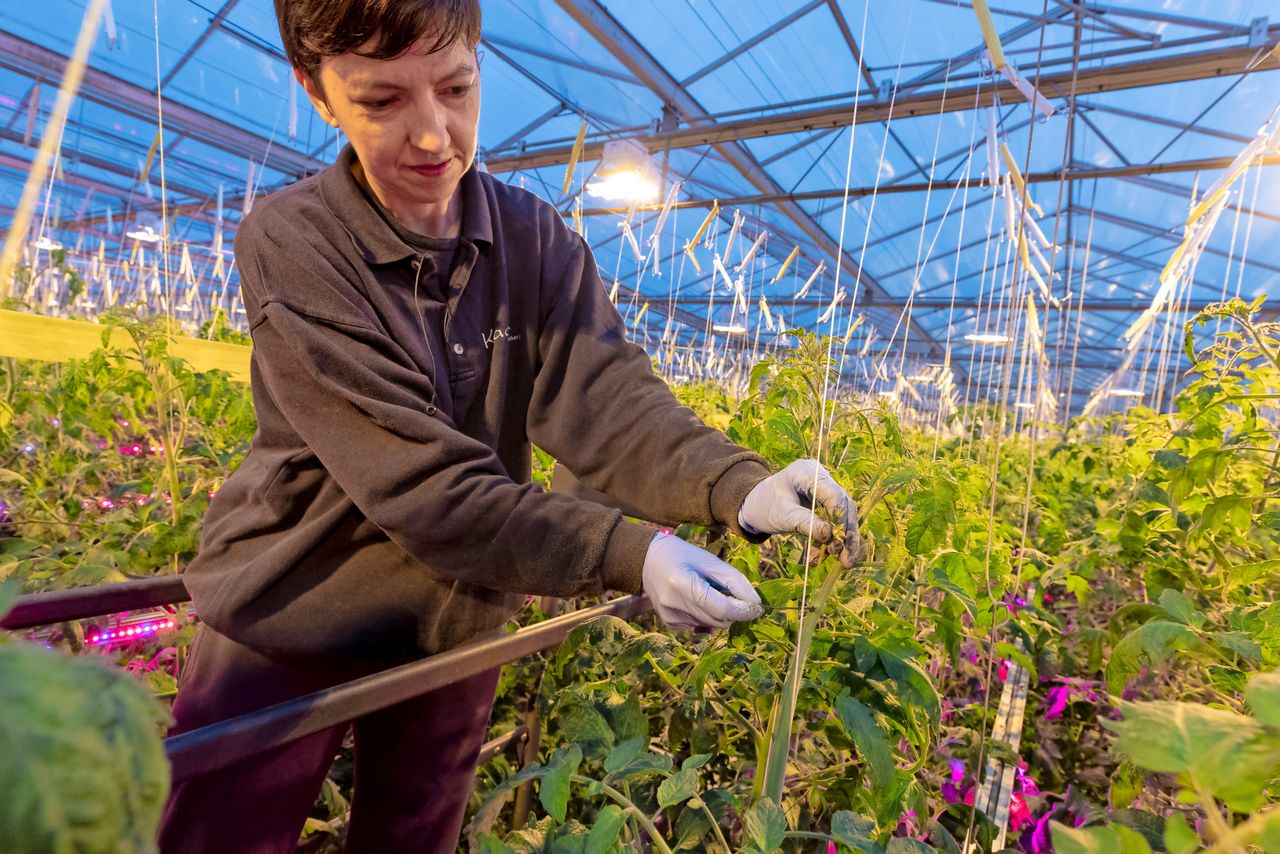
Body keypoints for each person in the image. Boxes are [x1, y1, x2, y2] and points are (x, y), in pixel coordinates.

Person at [157, 1, 858, 851]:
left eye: (456, 87)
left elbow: (607, 399)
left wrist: (740, 486)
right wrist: (630, 551)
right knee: (218, 837)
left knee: (412, 838)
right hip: (293, 616)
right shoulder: (297, 241)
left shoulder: (529, 237)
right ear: (318, 93)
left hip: (454, 622)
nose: (433, 135)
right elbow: (421, 485)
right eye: (383, 102)